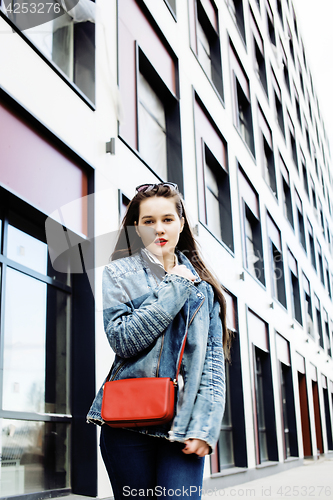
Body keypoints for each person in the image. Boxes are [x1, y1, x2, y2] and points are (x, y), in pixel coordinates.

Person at [87, 182, 231, 499]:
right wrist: (173, 289)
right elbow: (123, 340)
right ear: (136, 228)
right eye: (148, 221)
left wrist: (205, 426)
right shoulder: (119, 274)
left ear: (181, 223)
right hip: (126, 422)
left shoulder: (203, 289)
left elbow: (211, 364)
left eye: (167, 219)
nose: (158, 229)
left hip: (182, 427)